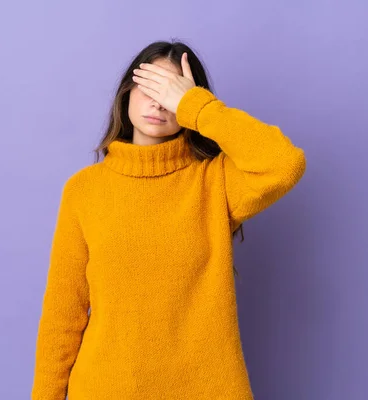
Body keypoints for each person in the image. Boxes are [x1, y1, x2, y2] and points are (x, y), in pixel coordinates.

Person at [31, 40, 306, 399]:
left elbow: (284, 163)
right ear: (127, 92)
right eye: (151, 86)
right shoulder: (85, 190)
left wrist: (196, 106)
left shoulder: (215, 182)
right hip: (106, 388)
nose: (159, 102)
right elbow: (62, 315)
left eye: (172, 91)